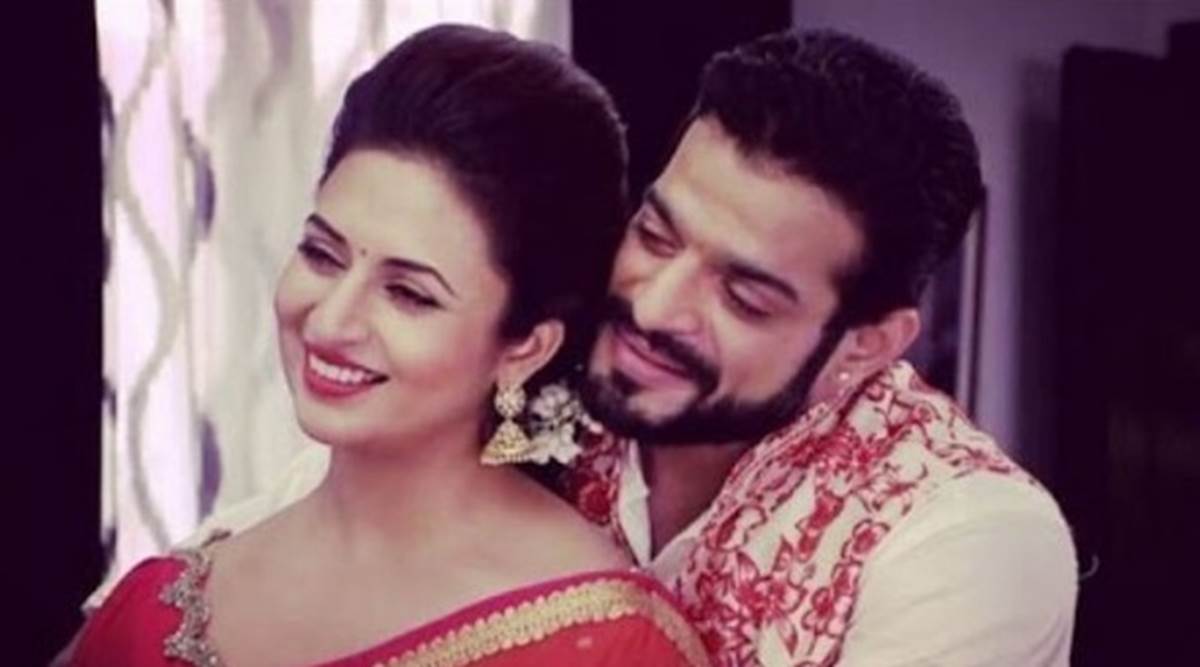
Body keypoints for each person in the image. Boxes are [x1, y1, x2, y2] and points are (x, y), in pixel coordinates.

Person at [84, 28, 1079, 666]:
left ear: (865, 344)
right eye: (657, 231)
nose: (652, 302)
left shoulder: (962, 538)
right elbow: (300, 526)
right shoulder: (549, 376)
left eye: (742, 292)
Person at [70, 25, 709, 667]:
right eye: (322, 254)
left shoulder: (608, 645)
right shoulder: (156, 608)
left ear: (524, 348)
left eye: (408, 294)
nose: (330, 323)